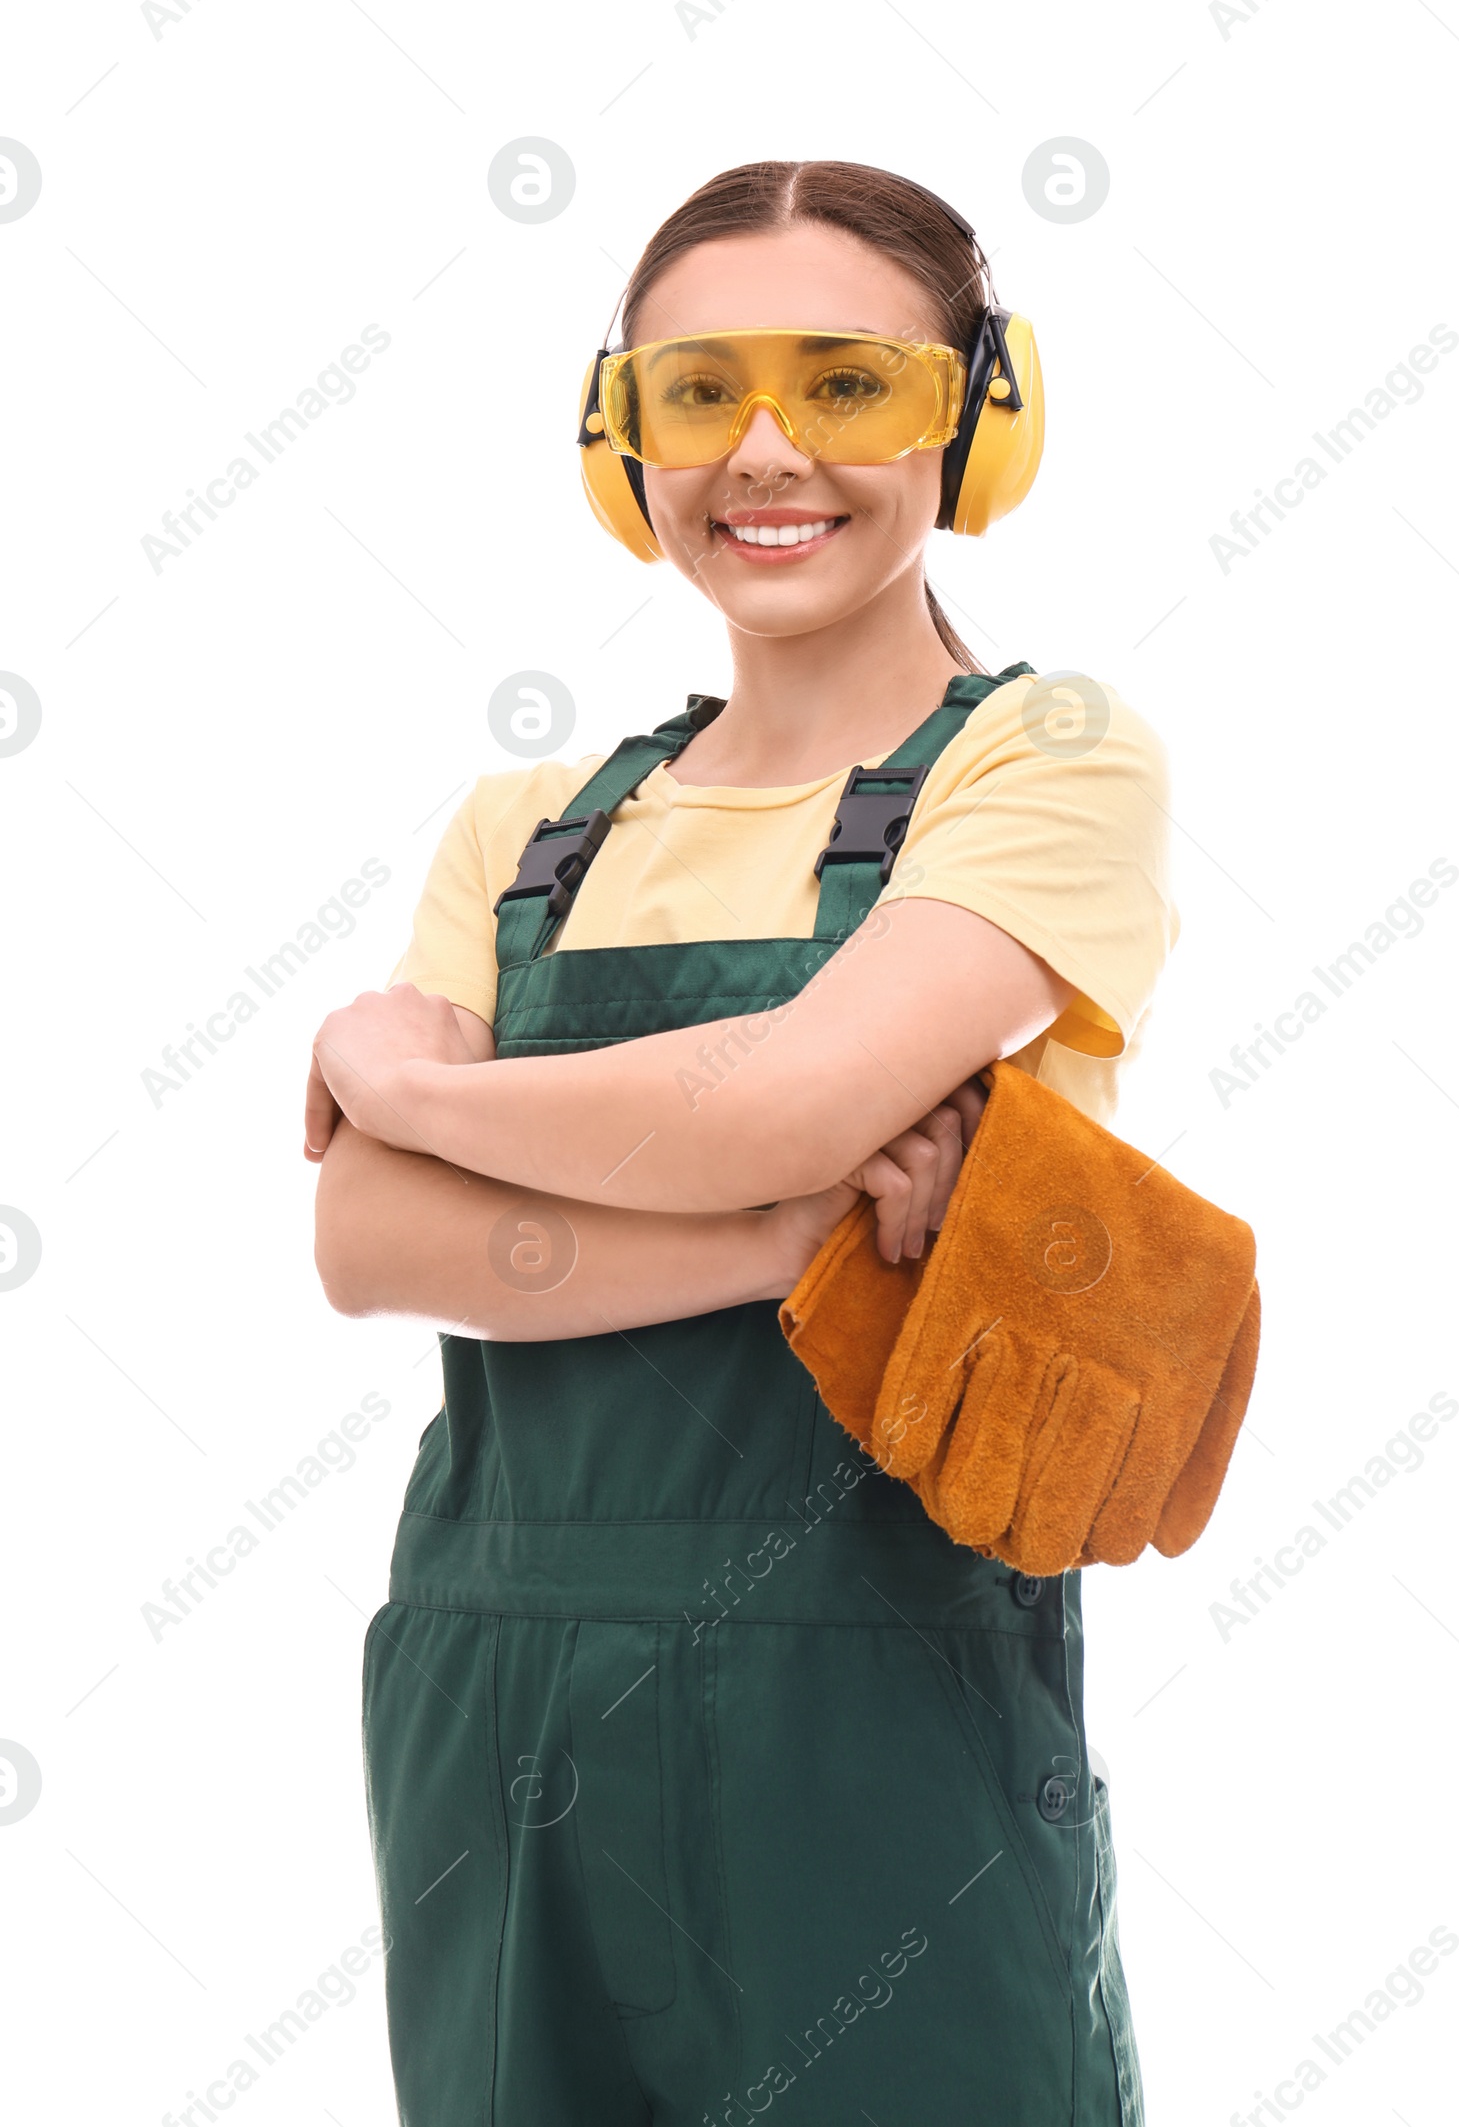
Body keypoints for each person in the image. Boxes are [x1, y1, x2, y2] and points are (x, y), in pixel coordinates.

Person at [307, 159, 1177, 2126]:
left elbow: (776, 1096)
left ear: (978, 410)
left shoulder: (1041, 758)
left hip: (874, 1703)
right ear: (621, 440)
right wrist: (806, 1221)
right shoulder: (527, 823)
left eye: (846, 383)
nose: (766, 449)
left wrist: (426, 1092)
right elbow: (363, 1240)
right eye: (699, 391)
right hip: (492, 1696)